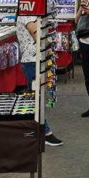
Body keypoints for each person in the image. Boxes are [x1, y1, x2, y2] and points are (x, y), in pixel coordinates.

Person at [17, 16, 63, 147]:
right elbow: (36, 35)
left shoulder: (32, 15)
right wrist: (48, 48)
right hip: (32, 61)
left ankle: (31, 130)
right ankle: (45, 133)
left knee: (34, 97)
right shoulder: (26, 16)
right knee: (35, 98)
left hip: (36, 60)